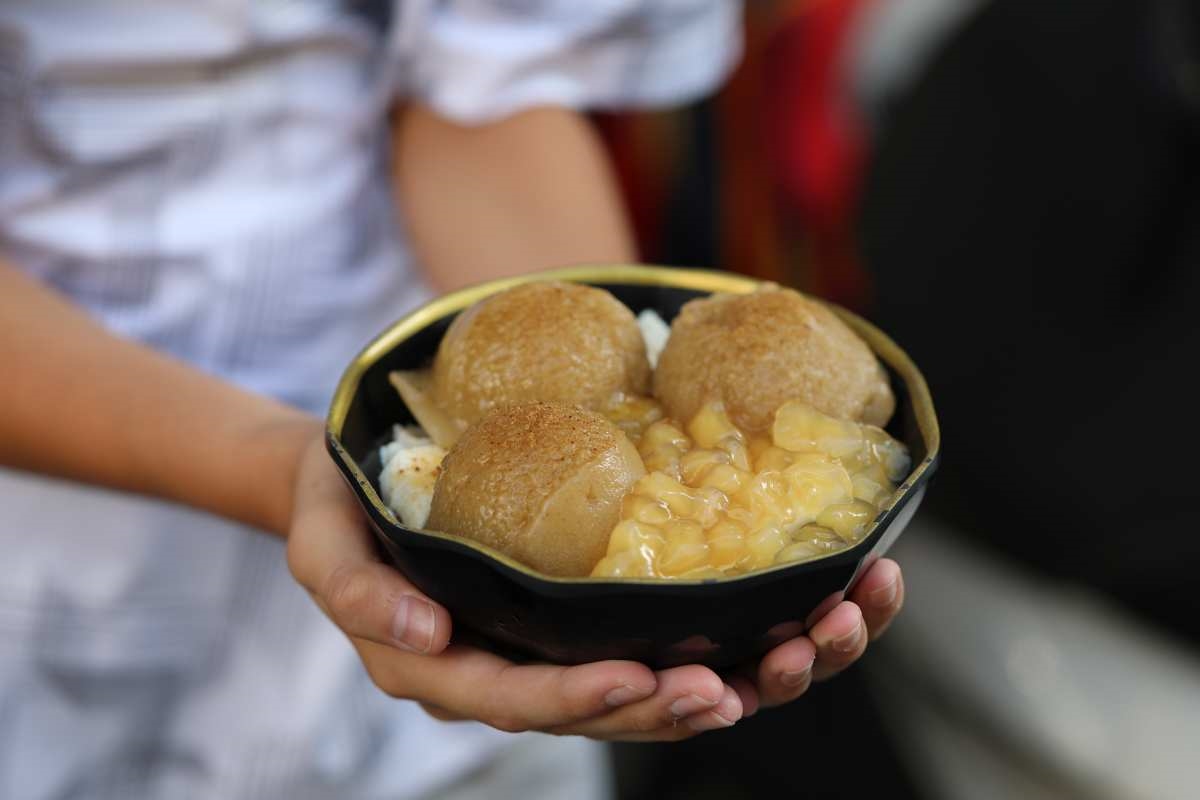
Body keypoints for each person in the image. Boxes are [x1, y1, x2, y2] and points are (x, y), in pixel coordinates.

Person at [0, 2, 906, 798]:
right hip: (63, 623)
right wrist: (299, 469)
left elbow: (482, 90)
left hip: (445, 580)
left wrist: (604, 570)